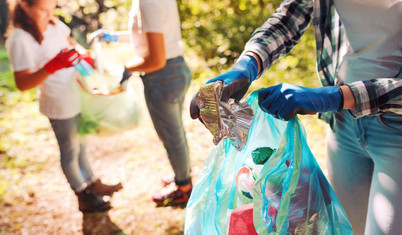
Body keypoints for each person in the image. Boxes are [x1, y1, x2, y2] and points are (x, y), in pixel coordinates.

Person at [190, 0, 402, 234]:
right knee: (346, 227)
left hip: (397, 132)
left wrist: (336, 97)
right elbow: (289, 17)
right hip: (343, 124)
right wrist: (247, 64)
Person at [5, 0, 123, 213]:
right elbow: (23, 84)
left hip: (77, 94)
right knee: (70, 150)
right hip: (58, 103)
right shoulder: (19, 38)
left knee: (82, 145)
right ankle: (83, 194)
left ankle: (92, 182)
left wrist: (86, 57)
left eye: (52, 8)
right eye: (43, 9)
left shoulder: (54, 24)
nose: (48, 14)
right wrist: (52, 66)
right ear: (25, 5)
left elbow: (72, 46)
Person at [90, 0, 193, 207]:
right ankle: (181, 174)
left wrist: (126, 67)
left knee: (171, 136)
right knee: (175, 133)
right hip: (175, 70)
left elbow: (155, 59)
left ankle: (183, 188)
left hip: (163, 76)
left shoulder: (149, 2)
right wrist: (113, 36)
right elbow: (148, 35)